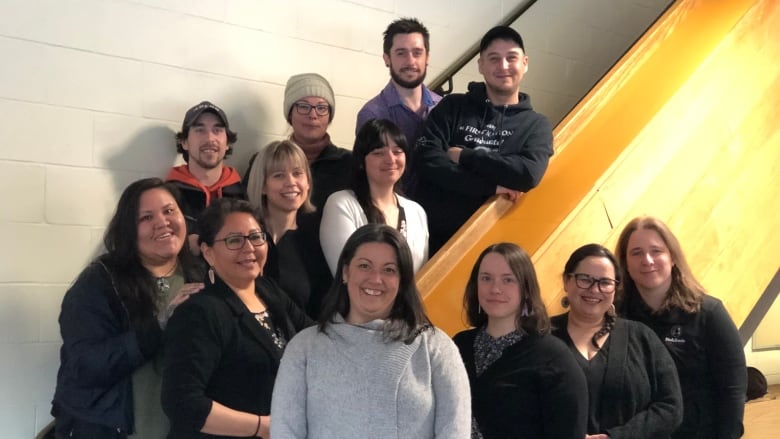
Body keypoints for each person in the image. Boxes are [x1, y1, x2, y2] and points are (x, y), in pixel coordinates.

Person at [270, 224, 470, 438]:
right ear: (346, 272)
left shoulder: (435, 347)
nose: (376, 279)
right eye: (364, 266)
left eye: (389, 270)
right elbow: (285, 431)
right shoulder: (304, 347)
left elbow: (455, 431)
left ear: (402, 281)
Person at [51, 178, 204, 438]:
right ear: (127, 230)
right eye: (146, 217)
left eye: (169, 211)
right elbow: (83, 366)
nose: (162, 222)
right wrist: (157, 328)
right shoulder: (98, 282)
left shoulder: (200, 276)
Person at [161, 198, 311, 438]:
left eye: (255, 237)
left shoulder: (268, 290)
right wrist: (262, 427)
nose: (249, 248)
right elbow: (181, 403)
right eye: (234, 241)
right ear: (208, 252)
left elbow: (312, 335)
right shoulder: (199, 312)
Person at [409, 26, 553, 254]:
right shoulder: (452, 107)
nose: (503, 66)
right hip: (433, 244)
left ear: (524, 63)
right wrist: (492, 186)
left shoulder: (537, 125)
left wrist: (463, 156)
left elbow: (527, 173)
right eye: (493, 58)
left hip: (499, 250)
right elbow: (427, 160)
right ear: (481, 65)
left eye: (511, 58)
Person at [615, 216, 747, 439]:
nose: (647, 260)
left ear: (673, 257)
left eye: (656, 251)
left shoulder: (709, 313)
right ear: (625, 263)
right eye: (636, 253)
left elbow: (732, 390)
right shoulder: (616, 317)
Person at [453, 243, 588, 439]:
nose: (495, 289)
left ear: (526, 289)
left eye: (508, 280)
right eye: (486, 278)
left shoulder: (554, 358)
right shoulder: (458, 345)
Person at [551, 243, 682, 439]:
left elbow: (671, 407)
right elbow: (520, 406)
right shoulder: (540, 339)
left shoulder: (641, 336)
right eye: (585, 279)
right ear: (566, 281)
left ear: (615, 288)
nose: (594, 289)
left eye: (605, 282)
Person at [320, 119, 429, 275]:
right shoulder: (341, 204)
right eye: (378, 153)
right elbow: (347, 274)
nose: (391, 159)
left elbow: (422, 277)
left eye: (397, 151)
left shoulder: (416, 212)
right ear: (361, 162)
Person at [245, 139, 333, 317]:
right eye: (278, 175)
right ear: (262, 185)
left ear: (307, 182)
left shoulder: (319, 240)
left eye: (297, 173)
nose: (291, 182)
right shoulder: (244, 238)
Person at [356, 17, 442, 191]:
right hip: (396, 213)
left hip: (444, 212)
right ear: (387, 58)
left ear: (427, 57)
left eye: (417, 52)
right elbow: (372, 179)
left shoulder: (444, 108)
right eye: (401, 53)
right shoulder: (372, 114)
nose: (410, 62)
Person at [167, 101, 246, 254]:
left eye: (217, 130)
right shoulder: (167, 194)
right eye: (200, 130)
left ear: (228, 142)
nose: (210, 138)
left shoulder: (243, 193)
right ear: (184, 142)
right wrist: (183, 247)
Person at [283, 73, 352, 212]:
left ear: (329, 116)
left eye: (321, 108)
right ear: (290, 114)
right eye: (303, 106)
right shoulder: (267, 161)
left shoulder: (350, 163)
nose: (313, 115)